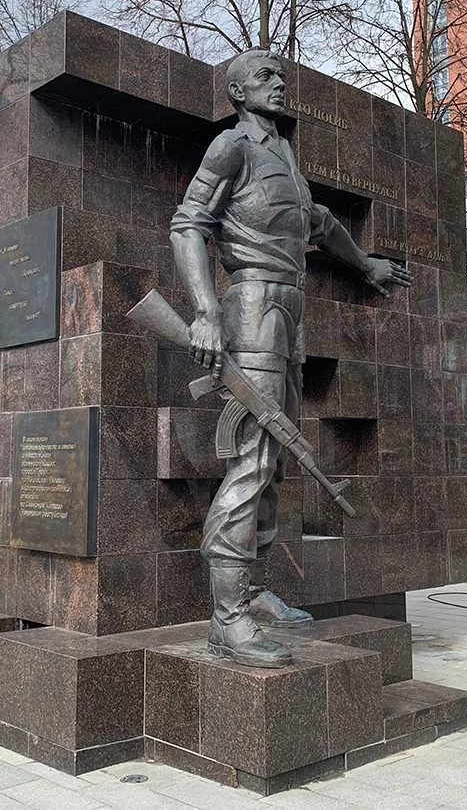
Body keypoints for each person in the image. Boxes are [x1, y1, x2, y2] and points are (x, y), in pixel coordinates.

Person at [171, 49, 412, 668]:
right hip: (250, 305)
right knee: (253, 457)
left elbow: (320, 224)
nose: (279, 84)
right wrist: (204, 310)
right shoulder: (232, 147)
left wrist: (366, 265)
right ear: (237, 92)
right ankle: (227, 619)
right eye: (265, 77)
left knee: (278, 458)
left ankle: (251, 592)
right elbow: (188, 225)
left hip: (289, 313)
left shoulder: (283, 155)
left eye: (281, 75)